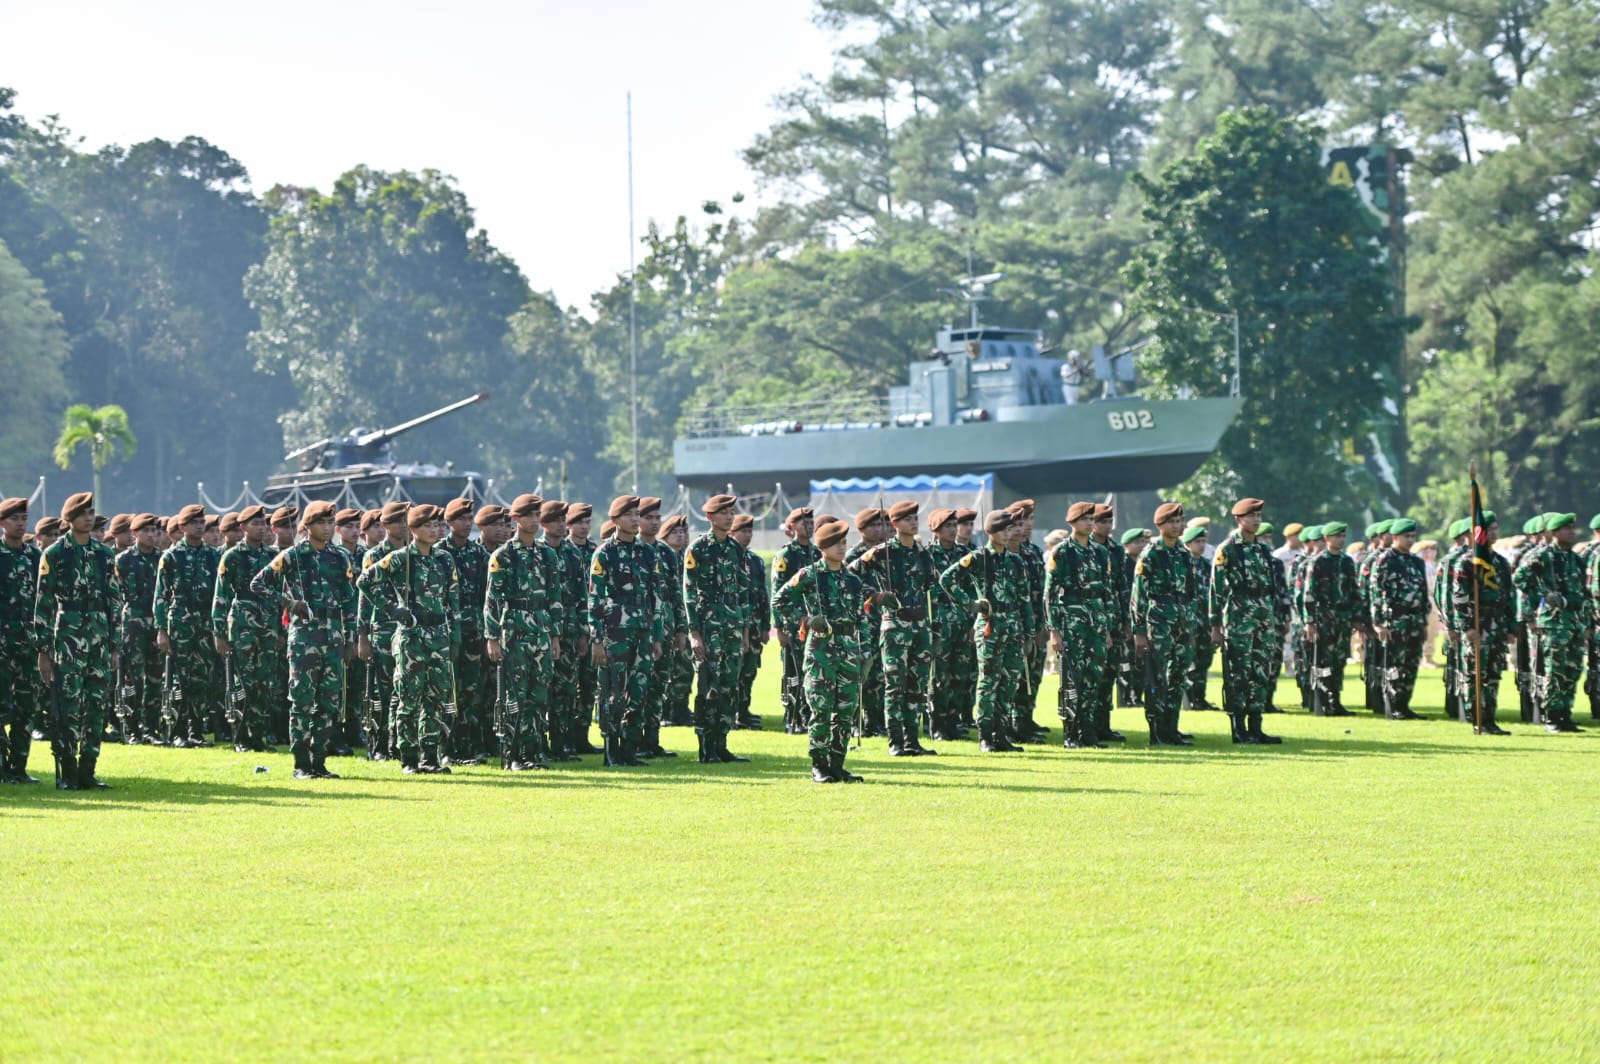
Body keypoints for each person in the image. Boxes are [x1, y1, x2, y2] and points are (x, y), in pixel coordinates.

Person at [251, 501, 357, 780]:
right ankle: (301, 763)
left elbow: (350, 600)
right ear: (307, 526)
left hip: (333, 635)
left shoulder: (341, 557)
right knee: (302, 701)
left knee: (329, 703)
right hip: (304, 637)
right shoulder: (293, 556)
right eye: (321, 522)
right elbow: (258, 584)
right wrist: (288, 602)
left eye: (330, 522)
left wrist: (351, 638)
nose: (327, 528)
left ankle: (319, 761)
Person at [358, 503, 463, 773]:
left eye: (436, 525)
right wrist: (393, 609)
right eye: (427, 526)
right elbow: (365, 581)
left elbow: (453, 600)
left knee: (436, 699)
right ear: (413, 529)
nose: (434, 530)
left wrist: (454, 636)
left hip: (438, 635)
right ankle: (409, 757)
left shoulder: (444, 559)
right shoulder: (400, 559)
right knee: (409, 698)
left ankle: (430, 756)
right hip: (411, 637)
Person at [35, 492, 123, 789]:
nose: (89, 518)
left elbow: (114, 601)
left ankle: (88, 771)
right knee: (67, 707)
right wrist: (43, 650)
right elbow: (44, 603)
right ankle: (68, 772)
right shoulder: (55, 554)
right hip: (68, 637)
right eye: (83, 513)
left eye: (91, 512)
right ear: (70, 518)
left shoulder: (104, 554)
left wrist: (114, 646)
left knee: (97, 707)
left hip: (99, 636)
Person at [772, 519, 866, 782]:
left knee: (846, 711)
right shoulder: (809, 575)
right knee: (821, 708)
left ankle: (837, 763)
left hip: (848, 650)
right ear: (823, 547)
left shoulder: (852, 579)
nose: (842, 547)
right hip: (821, 650)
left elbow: (862, 618)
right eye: (836, 543)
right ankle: (819, 765)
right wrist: (804, 619)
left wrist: (866, 650)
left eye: (844, 542)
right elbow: (779, 601)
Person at [849, 499, 940, 756]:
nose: (914, 522)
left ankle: (912, 740)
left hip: (920, 625)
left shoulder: (923, 553)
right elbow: (850, 574)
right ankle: (896, 742)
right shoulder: (883, 552)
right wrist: (874, 595)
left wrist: (936, 627)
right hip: (895, 626)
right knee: (895, 685)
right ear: (895, 523)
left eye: (915, 518)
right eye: (908, 519)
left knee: (917, 686)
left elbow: (933, 588)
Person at [938, 509, 1033, 752]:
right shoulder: (978, 558)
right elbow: (947, 580)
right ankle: (986, 734)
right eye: (1003, 529)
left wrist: (1028, 634)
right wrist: (970, 604)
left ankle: (1001, 733)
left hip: (1012, 626)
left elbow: (1024, 600)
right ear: (991, 532)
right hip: (990, 626)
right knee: (989, 681)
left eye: (1010, 529)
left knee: (1009, 681)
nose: (1008, 534)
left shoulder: (1015, 561)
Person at [484, 494, 564, 771]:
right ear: (516, 519)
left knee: (539, 695)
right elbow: (492, 600)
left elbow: (554, 597)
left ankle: (532, 752)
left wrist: (555, 636)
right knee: (514, 696)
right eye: (528, 515)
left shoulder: (547, 554)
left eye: (537, 514)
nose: (534, 520)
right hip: (514, 630)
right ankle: (513, 753)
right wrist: (492, 638)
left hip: (541, 629)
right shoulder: (503, 555)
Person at [587, 495, 663, 766]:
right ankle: (611, 748)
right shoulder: (604, 553)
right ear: (615, 520)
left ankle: (630, 748)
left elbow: (655, 596)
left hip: (643, 631)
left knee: (639, 690)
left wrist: (657, 636)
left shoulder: (648, 552)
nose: (635, 519)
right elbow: (595, 599)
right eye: (629, 515)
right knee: (613, 691)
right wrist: (597, 640)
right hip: (615, 632)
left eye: (637, 514)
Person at [684, 494, 754, 763]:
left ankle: (721, 743)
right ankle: (705, 746)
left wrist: (745, 632)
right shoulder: (698, 548)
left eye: (731, 512)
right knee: (708, 685)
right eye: (723, 513)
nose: (729, 517)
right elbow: (689, 593)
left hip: (732, 625)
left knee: (729, 685)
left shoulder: (736, 549)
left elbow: (743, 592)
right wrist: (694, 633)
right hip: (708, 625)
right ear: (710, 517)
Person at [1208, 499, 1282, 744]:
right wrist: (1215, 626)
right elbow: (1216, 590)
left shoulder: (1263, 549)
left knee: (1261, 671)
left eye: (1259, 515)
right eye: (1251, 516)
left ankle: (1256, 726)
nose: (1256, 520)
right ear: (1239, 520)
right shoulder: (1228, 549)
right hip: (1239, 617)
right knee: (1239, 672)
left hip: (1263, 616)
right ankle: (1239, 728)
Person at [211, 505, 279, 751]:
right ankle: (241, 737)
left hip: (269, 625)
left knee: (265, 683)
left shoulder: (273, 556)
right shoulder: (232, 556)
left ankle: (258, 736)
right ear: (243, 527)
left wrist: (281, 630)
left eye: (263, 524)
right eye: (255, 524)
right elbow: (221, 597)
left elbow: (283, 592)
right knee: (244, 683)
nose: (261, 528)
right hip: (243, 626)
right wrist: (219, 633)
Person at [1045, 502, 1113, 749]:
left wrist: (1107, 628)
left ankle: (1088, 732)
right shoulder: (1062, 552)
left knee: (1094, 678)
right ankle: (1071, 733)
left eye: (1091, 519)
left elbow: (1107, 592)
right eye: (1084, 519)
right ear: (1072, 522)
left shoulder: (1100, 552)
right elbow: (1050, 594)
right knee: (1072, 680)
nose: (1089, 523)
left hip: (1097, 622)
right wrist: (1054, 631)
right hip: (1072, 622)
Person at [153, 504, 221, 748]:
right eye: (194, 522)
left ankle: (196, 730)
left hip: (205, 622)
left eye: (201, 522)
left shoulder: (214, 555)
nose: (199, 526)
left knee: (203, 677)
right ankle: (178, 731)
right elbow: (161, 596)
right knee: (180, 678)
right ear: (182, 527)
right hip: (180, 622)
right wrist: (162, 630)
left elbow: (220, 594)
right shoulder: (171, 557)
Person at [1513, 512, 1587, 733]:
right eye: (1566, 529)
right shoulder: (1543, 555)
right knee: (1555, 670)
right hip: (1554, 623)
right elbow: (1519, 578)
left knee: (1573, 669)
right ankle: (1552, 717)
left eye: (1572, 528)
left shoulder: (1575, 559)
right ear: (1554, 533)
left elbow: (1582, 592)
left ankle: (1565, 714)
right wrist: (1544, 596)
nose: (1571, 532)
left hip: (1574, 622)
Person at [1131, 503, 1197, 746]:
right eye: (1172, 522)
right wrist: (1139, 632)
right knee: (1157, 678)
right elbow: (1138, 595)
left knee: (1178, 675)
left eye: (1180, 521)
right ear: (1159, 525)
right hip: (1158, 622)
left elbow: (1191, 592)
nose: (1177, 526)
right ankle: (1156, 730)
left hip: (1182, 622)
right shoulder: (1150, 554)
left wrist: (1192, 621)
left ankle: (1171, 728)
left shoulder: (1184, 553)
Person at [1445, 512, 1512, 734]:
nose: (1493, 533)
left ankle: (1489, 718)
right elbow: (1459, 597)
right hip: (1477, 626)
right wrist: (1467, 626)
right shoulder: (1467, 562)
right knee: (1475, 674)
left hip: (1496, 626)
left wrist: (1511, 626)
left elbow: (1508, 596)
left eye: (1495, 529)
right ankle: (1477, 719)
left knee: (1493, 675)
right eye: (1488, 530)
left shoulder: (1500, 562)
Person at [356, 501, 410, 760]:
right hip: (383, 630)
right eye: (399, 521)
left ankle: (401, 743)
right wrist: (363, 636)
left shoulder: (414, 553)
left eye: (406, 520)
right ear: (386, 525)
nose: (404, 525)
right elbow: (364, 599)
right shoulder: (374, 555)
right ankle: (379, 746)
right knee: (383, 690)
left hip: (410, 630)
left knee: (406, 690)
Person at [440, 497, 492, 765]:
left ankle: (469, 748)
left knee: (472, 691)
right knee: (447, 690)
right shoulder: (439, 553)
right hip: (446, 633)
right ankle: (445, 749)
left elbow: (488, 595)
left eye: (469, 518)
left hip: (474, 633)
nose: (466, 523)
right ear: (449, 522)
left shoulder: (479, 554)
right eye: (461, 519)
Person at [635, 498, 683, 759]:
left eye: (657, 518)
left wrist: (680, 629)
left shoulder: (666, 552)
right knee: (637, 686)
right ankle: (634, 741)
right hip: (638, 628)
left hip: (665, 628)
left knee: (658, 686)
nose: (654, 523)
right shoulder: (633, 549)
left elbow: (675, 593)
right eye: (648, 518)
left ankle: (652, 740)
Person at [0, 497, 42, 783]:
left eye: (24, 518)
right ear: (3, 522)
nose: (20, 523)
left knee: (26, 708)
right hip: (2, 645)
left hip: (29, 645)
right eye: (14, 518)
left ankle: (19, 767)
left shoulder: (35, 557)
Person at [1371, 518, 1428, 719]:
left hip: (1415, 621)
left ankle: (1404, 705)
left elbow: (1423, 593)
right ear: (1395, 537)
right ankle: (1393, 706)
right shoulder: (1385, 560)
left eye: (1413, 536)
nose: (1411, 540)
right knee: (1394, 665)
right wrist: (1378, 623)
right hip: (1394, 621)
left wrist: (1424, 621)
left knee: (1410, 665)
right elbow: (1376, 592)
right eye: (1407, 536)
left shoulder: (1417, 562)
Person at [1302, 522, 1360, 716]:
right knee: (1323, 661)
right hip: (1324, 619)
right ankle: (1323, 700)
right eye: (1337, 536)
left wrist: (1356, 617)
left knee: (1339, 660)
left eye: (1343, 536)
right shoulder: (1318, 561)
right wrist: (1310, 621)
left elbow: (1353, 590)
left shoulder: (1347, 561)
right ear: (1327, 539)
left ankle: (1335, 700)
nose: (1341, 540)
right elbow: (1309, 593)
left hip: (1343, 618)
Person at [771, 507, 820, 735]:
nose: (809, 526)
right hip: (793, 623)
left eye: (811, 522)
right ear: (792, 527)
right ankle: (794, 716)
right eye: (803, 523)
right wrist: (779, 627)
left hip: (814, 623)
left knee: (813, 671)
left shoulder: (817, 554)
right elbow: (777, 591)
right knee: (794, 673)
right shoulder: (786, 555)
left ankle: (809, 716)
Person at [844, 508, 891, 737]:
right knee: (860, 672)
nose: (880, 529)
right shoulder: (854, 556)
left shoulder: (886, 554)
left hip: (885, 621)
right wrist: (873, 595)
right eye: (874, 525)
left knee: (880, 675)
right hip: (863, 623)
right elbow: (848, 585)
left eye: (882, 525)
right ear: (862, 529)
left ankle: (875, 722)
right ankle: (855, 722)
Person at [1006, 500, 1050, 743]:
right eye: (1021, 522)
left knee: (1033, 674)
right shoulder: (1007, 553)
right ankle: (1013, 724)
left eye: (1030, 520)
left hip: (1034, 621)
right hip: (1013, 622)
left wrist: (1043, 624)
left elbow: (1041, 591)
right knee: (1015, 674)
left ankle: (1025, 718)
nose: (1027, 526)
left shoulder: (1033, 552)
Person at [925, 508, 970, 741]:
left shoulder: (965, 554)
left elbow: (972, 587)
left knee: (959, 676)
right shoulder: (927, 555)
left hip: (962, 621)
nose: (953, 530)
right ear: (936, 530)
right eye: (947, 526)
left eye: (954, 525)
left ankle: (954, 722)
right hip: (938, 623)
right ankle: (937, 725)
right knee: (939, 677)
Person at [731, 513, 768, 731]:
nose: (747, 535)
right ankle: (731, 713)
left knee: (749, 671)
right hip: (733, 623)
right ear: (732, 533)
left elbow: (763, 595)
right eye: (743, 531)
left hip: (753, 624)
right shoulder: (729, 558)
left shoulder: (755, 561)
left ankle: (743, 711)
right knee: (732, 672)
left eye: (749, 531)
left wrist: (765, 626)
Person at [1181, 523, 1219, 711]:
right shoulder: (1182, 564)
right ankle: (1188, 698)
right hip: (1188, 620)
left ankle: (1199, 698)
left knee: (1204, 659)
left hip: (1205, 620)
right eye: (1197, 542)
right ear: (1187, 544)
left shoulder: (1207, 565)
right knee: (1189, 659)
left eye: (1204, 541)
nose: (1202, 545)